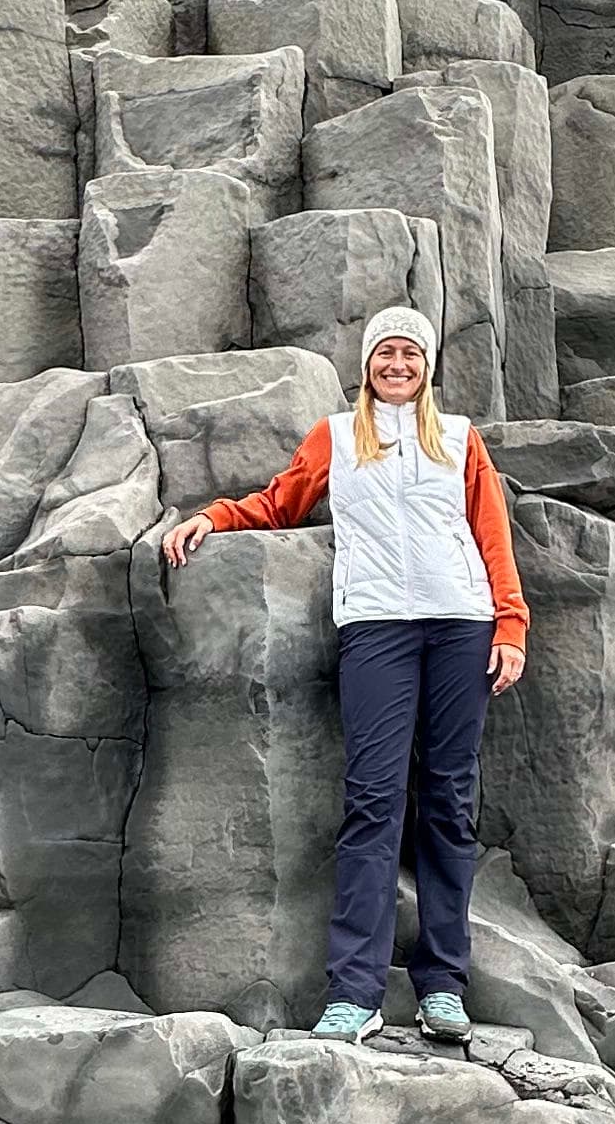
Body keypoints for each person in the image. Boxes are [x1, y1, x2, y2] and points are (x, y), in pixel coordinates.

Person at [159, 304, 528, 1045]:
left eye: (410, 356)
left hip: (461, 626)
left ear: (427, 368)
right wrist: (215, 517)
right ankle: (354, 994)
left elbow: (491, 535)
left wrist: (510, 625)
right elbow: (280, 501)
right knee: (373, 802)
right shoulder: (335, 436)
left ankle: (443, 987)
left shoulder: (459, 440)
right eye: (386, 354)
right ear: (368, 364)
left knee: (449, 804)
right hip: (376, 628)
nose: (398, 365)